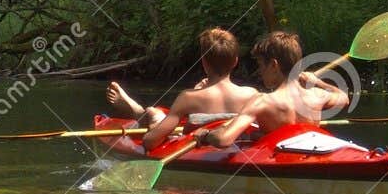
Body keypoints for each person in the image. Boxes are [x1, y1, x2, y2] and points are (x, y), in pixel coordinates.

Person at [107, 27, 260, 152]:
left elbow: (150, 143)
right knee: (171, 118)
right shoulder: (252, 95)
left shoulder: (189, 98)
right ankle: (146, 114)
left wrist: (196, 93)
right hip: (229, 144)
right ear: (235, 62)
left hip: (195, 137)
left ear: (204, 63)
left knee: (159, 121)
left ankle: (144, 114)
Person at [195, 29, 349, 148]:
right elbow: (344, 98)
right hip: (311, 153)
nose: (259, 72)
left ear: (274, 65)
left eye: (261, 65)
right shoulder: (316, 95)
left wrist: (206, 135)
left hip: (282, 158)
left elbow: (223, 140)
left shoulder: (262, 102)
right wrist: (317, 82)